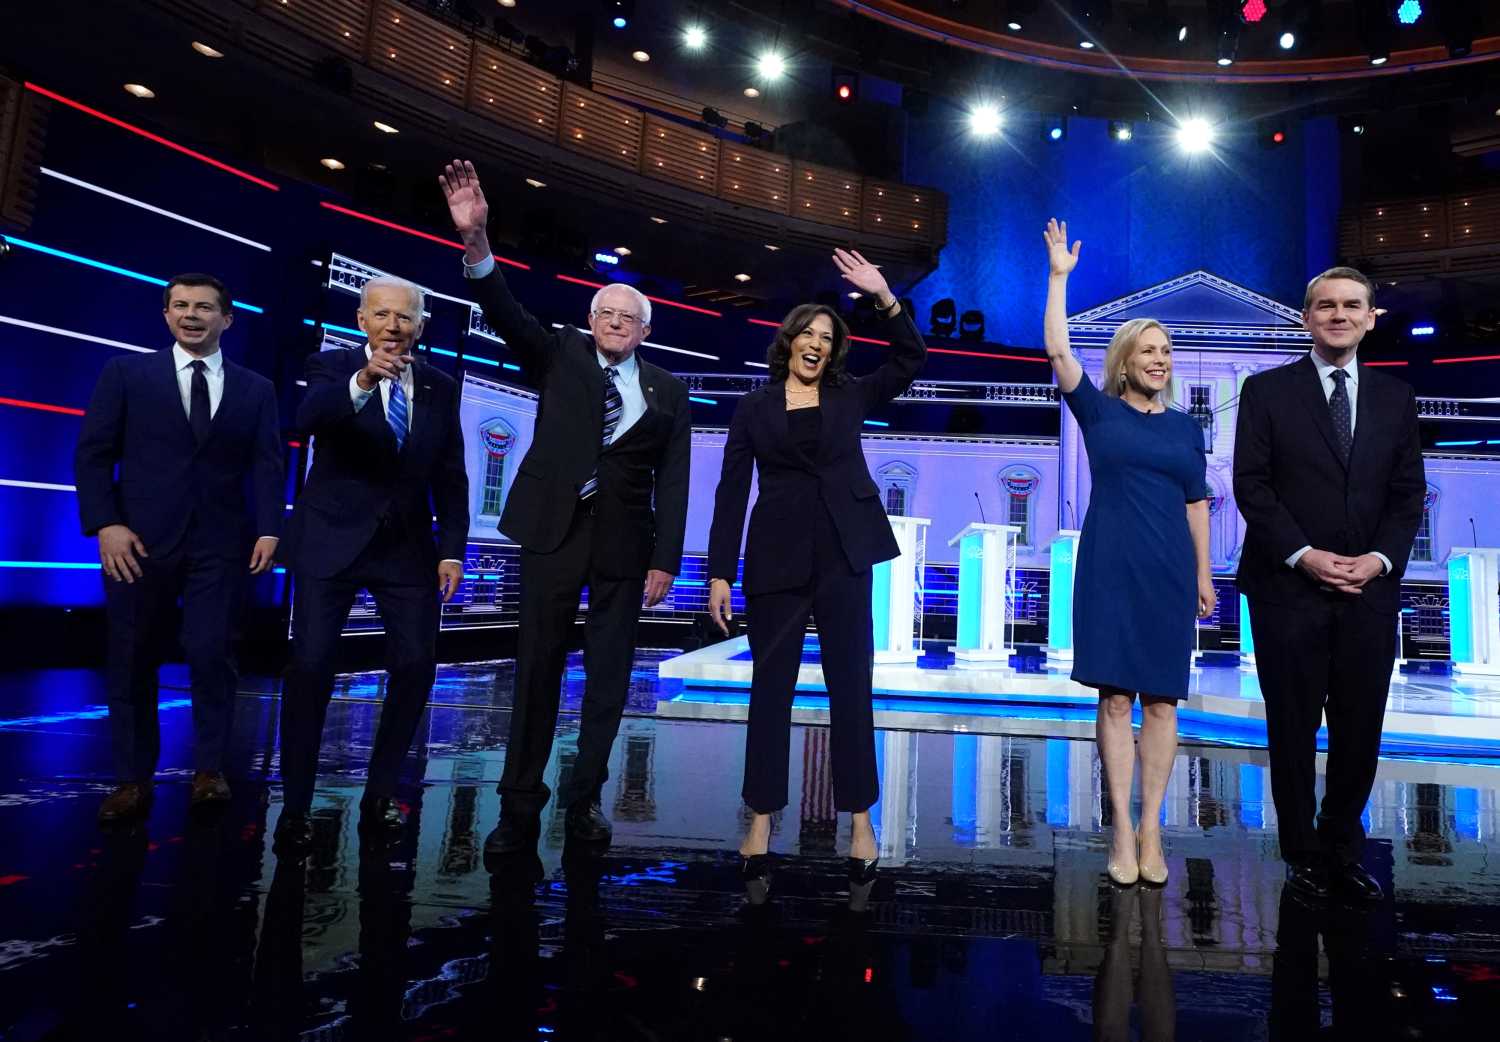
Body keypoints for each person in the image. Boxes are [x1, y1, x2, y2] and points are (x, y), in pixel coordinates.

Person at [439, 160, 691, 854]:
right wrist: (476, 241)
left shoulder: (669, 391)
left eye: (628, 318)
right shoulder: (559, 355)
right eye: (606, 313)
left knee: (608, 680)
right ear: (591, 320)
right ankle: (518, 807)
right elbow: (504, 310)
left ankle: (585, 802)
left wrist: (666, 560)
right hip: (551, 532)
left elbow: (674, 479)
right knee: (537, 669)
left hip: (624, 546)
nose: (616, 323)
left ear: (644, 331)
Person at [706, 249, 926, 901]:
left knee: (850, 688)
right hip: (775, 558)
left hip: (843, 555)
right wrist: (720, 573)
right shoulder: (753, 408)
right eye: (808, 334)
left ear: (834, 352)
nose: (817, 344)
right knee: (769, 691)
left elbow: (911, 358)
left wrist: (884, 296)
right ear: (789, 341)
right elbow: (729, 492)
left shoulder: (851, 395)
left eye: (828, 338)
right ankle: (761, 819)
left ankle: (860, 821)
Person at [1234, 266, 1425, 903]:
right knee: (1291, 728)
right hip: (1288, 588)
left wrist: (1379, 559)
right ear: (1306, 317)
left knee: (1359, 727)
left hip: (1369, 591)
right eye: (1325, 306)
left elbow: (1408, 494)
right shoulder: (1265, 391)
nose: (1338, 315)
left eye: (1350, 305)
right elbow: (1252, 486)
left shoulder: (1397, 397)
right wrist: (1304, 555)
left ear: (1370, 318)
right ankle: (1302, 854)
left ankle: (1342, 847)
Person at [1042, 219, 1215, 887]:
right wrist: (1059, 277)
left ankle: (1152, 828)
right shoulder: (1099, 411)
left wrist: (1203, 574)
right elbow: (1058, 348)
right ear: (1124, 360)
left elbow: (1196, 503)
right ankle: (1120, 826)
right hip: (1109, 569)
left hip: (1169, 571)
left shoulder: (1186, 429)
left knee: (1163, 703)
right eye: (1147, 349)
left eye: (1166, 350)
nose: (1159, 359)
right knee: (1115, 700)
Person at [74, 274, 283, 824]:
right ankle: (131, 780)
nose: (192, 315)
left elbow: (267, 464)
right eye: (181, 305)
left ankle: (209, 771)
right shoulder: (126, 373)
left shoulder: (256, 389)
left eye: (205, 307)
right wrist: (106, 524)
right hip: (137, 543)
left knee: (212, 653)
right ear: (166, 315)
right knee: (131, 658)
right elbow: (93, 454)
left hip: (221, 544)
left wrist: (269, 528)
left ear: (226, 319)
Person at [274, 275, 469, 850]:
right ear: (362, 320)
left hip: (406, 549)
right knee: (310, 667)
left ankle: (381, 794)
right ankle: (296, 807)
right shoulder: (331, 366)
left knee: (415, 666)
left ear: (420, 327)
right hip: (330, 540)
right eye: (381, 315)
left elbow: (450, 473)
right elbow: (309, 418)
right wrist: (362, 381)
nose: (393, 326)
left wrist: (452, 549)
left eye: (404, 317)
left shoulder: (438, 385)